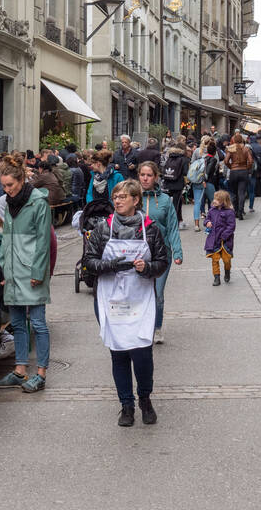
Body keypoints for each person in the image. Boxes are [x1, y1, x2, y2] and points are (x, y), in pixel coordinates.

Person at [80, 179, 168, 427]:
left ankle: (145, 399)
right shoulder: (102, 229)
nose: (117, 201)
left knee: (142, 352)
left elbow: (162, 260)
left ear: (135, 200)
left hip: (140, 297)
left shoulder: (149, 228)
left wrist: (147, 267)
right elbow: (89, 262)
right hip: (110, 298)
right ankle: (126, 406)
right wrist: (112, 265)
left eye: (122, 197)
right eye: (115, 197)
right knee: (118, 352)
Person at [0, 157, 52, 393]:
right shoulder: (9, 204)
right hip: (13, 271)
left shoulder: (38, 203)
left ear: (21, 180)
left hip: (30, 270)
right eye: (4, 186)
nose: (7, 190)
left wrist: (38, 271)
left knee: (38, 323)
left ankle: (41, 373)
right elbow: (6, 238)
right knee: (17, 322)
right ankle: (20, 370)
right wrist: (4, 268)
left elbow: (43, 240)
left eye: (10, 185)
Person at [137, 162, 182, 344]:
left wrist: (177, 251)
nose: (145, 178)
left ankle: (156, 327)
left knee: (158, 294)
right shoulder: (133, 197)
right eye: (142, 174)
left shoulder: (164, 200)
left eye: (149, 175)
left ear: (156, 177)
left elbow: (172, 227)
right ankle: (140, 326)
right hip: (138, 253)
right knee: (139, 293)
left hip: (162, 254)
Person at [204, 190, 237, 286]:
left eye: (217, 199)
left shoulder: (229, 212)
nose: (214, 201)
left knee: (227, 259)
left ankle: (227, 271)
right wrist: (207, 223)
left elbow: (231, 226)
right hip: (213, 239)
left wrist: (224, 235)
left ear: (223, 201)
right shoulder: (211, 210)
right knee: (215, 259)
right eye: (214, 199)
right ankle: (216, 278)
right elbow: (207, 219)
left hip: (225, 241)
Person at [224, 134, 253, 220]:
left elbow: (226, 161)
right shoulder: (246, 149)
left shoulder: (231, 149)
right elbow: (251, 161)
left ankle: (235, 211)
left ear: (233, 140)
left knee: (233, 193)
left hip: (233, 172)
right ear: (241, 140)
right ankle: (240, 211)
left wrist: (231, 167)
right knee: (241, 193)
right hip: (243, 171)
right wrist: (246, 168)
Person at [161, 143, 189, 230]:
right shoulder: (183, 159)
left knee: (169, 203)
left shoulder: (169, 157)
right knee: (176, 204)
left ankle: (174, 220)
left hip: (168, 182)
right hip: (178, 184)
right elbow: (185, 172)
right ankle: (174, 223)